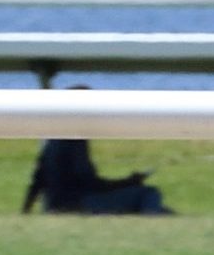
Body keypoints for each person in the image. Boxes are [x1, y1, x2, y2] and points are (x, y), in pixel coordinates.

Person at [21, 91, 171, 215]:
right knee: (149, 194)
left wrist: (25, 211)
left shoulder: (53, 141)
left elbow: (37, 180)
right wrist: (128, 183)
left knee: (164, 211)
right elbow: (91, 184)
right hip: (79, 204)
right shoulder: (75, 140)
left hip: (55, 205)